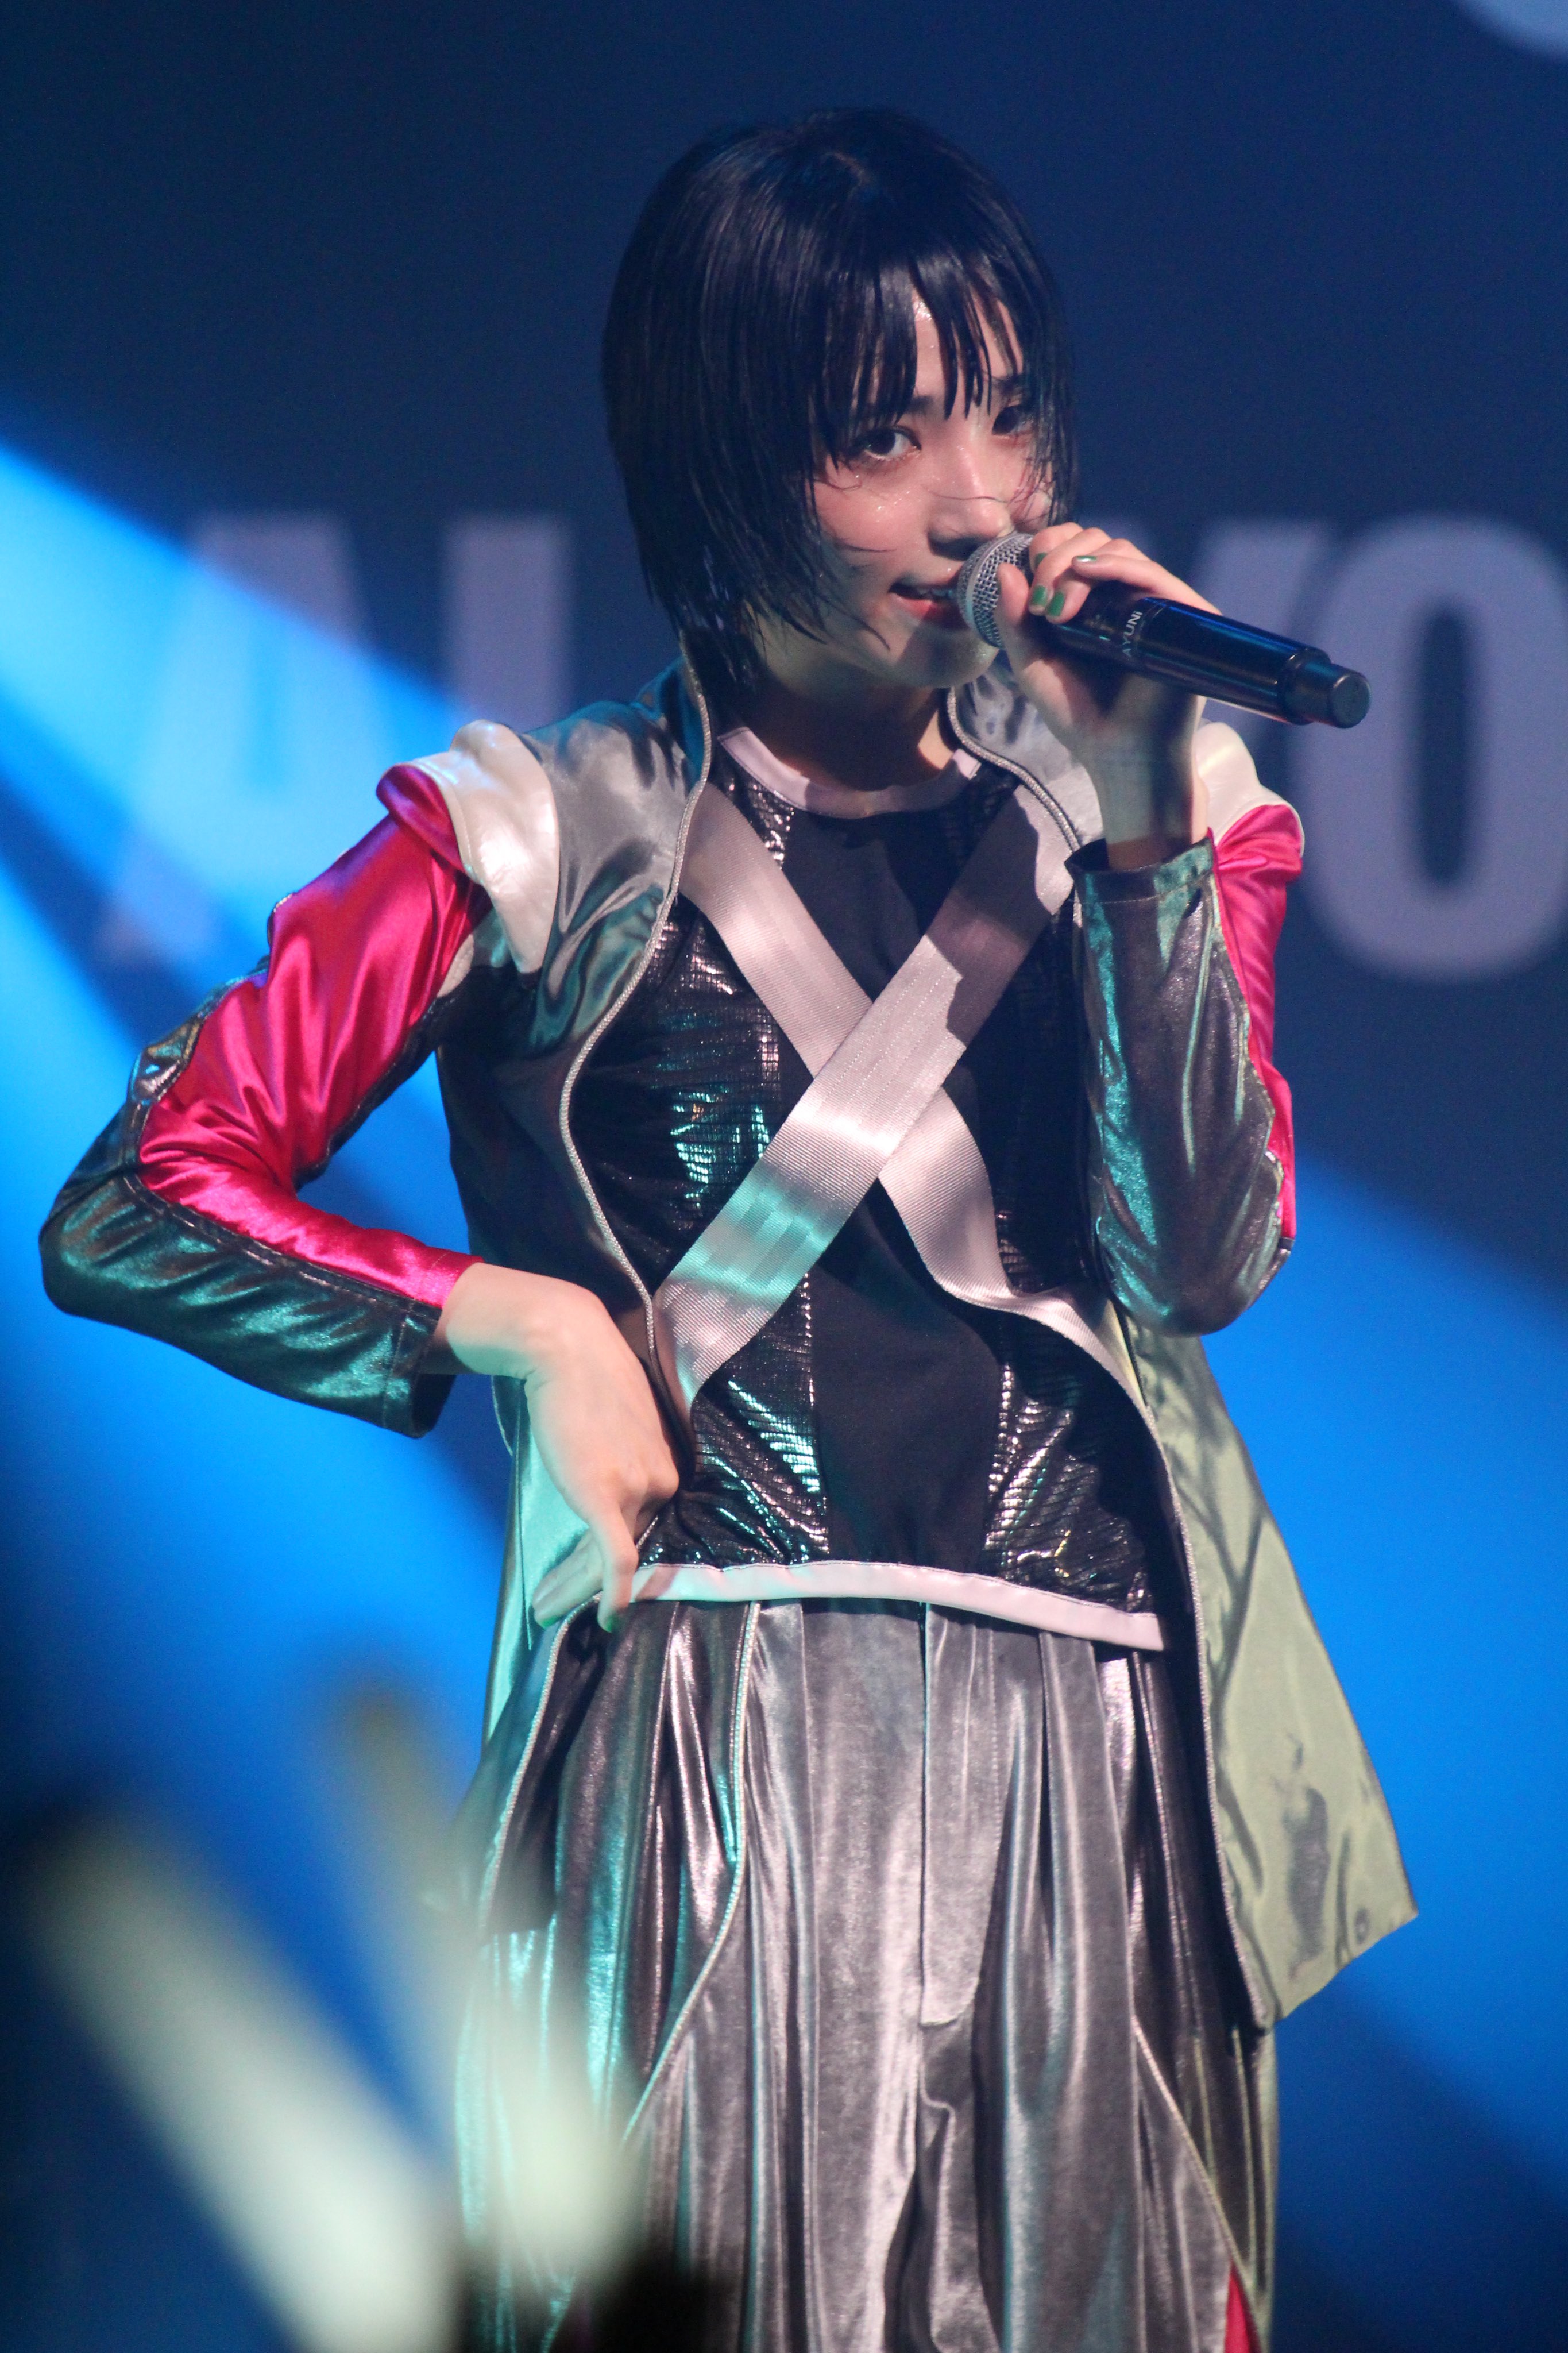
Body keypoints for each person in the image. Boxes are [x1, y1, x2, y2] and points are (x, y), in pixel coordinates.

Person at [41, 109, 1411, 2353]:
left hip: (1091, 1742)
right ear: (719, 467)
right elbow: (138, 1199)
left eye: (1005, 416)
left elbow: (1200, 1262)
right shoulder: (535, 835)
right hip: (708, 1741)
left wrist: (1146, 822)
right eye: (882, 437)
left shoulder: (1157, 813)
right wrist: (506, 1319)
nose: (973, 500)